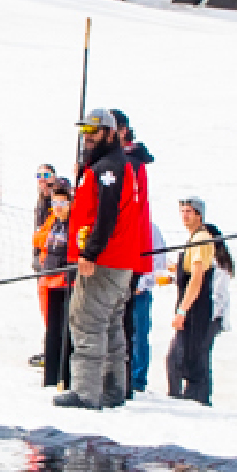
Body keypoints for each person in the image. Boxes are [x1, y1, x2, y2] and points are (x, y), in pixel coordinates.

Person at [54, 108, 146, 410]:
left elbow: (106, 217)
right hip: (121, 261)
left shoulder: (108, 169)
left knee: (87, 322)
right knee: (111, 326)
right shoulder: (122, 166)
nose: (87, 138)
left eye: (92, 132)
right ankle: (112, 390)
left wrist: (90, 253)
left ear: (108, 132)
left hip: (105, 260)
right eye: (84, 133)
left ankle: (85, 393)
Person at [114, 109, 155, 402]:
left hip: (127, 252)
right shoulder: (129, 162)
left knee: (125, 320)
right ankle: (122, 380)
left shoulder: (130, 164)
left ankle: (125, 380)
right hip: (129, 251)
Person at [165, 197, 218, 406]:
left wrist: (182, 311)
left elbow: (197, 279)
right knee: (182, 357)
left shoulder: (201, 238)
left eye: (189, 211)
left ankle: (195, 401)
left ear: (199, 215)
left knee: (186, 358)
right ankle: (189, 399)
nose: (185, 215)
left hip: (196, 309)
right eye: (182, 211)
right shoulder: (194, 238)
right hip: (192, 306)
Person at [33, 180, 73, 387]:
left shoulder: (72, 225)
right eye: (55, 203)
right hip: (50, 280)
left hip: (66, 283)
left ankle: (64, 376)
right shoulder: (53, 223)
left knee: (65, 330)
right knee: (52, 329)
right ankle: (50, 376)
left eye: (62, 203)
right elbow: (40, 242)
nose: (58, 207)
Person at [129, 220, 167, 392]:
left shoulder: (150, 229)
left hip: (139, 291)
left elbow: (158, 262)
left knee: (139, 335)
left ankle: (137, 379)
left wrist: (142, 284)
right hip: (119, 289)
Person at [32, 164, 59, 229]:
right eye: (39, 176)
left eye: (46, 175)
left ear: (54, 178)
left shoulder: (61, 197)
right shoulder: (40, 202)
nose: (42, 178)